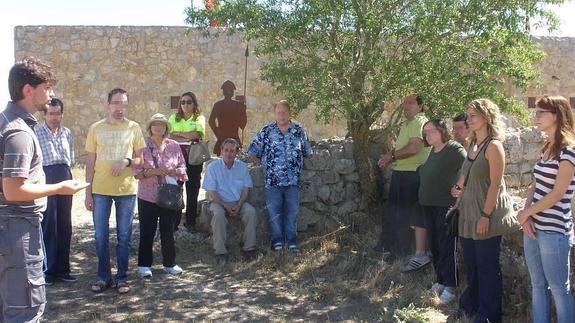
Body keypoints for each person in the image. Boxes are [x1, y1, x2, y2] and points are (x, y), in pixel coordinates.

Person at [0, 57, 88, 322]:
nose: (51, 95)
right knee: (23, 311)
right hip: (17, 232)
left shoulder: (6, 122)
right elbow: (14, 191)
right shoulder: (19, 133)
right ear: (29, 90)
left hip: (9, 230)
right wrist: (59, 187)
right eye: (47, 88)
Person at [451, 98, 519, 323]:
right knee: (472, 265)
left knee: (487, 268)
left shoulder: (494, 146)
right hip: (469, 214)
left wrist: (486, 216)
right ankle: (472, 306)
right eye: (467, 115)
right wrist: (458, 188)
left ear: (486, 118)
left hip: (485, 215)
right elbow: (465, 172)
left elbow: (496, 185)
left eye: (472, 116)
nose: (467, 119)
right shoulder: (472, 144)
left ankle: (489, 315)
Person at [517, 96, 575, 323]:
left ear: (557, 114)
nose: (536, 117)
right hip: (533, 227)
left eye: (541, 112)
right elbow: (534, 185)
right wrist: (526, 215)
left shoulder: (568, 151)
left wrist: (526, 213)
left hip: (554, 230)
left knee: (560, 290)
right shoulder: (547, 148)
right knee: (538, 285)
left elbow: (557, 194)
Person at [85, 88, 145, 294]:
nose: (120, 108)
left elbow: (141, 160)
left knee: (124, 237)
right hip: (100, 190)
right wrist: (87, 192)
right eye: (116, 103)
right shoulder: (96, 128)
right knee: (100, 236)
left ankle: (121, 278)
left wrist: (127, 161)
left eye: (124, 104)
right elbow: (90, 161)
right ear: (108, 104)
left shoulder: (134, 128)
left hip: (126, 191)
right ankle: (104, 278)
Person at [248, 100, 312, 252]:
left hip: (293, 181)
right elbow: (252, 151)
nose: (281, 115)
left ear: (290, 113)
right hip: (273, 181)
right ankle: (277, 241)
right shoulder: (267, 131)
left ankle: (291, 241)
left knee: (292, 212)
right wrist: (265, 165)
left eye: (284, 112)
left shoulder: (299, 130)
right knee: (274, 212)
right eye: (278, 112)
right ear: (275, 114)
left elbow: (307, 152)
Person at [376, 93, 431, 269]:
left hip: (411, 175)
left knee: (404, 216)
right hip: (402, 172)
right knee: (394, 213)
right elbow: (404, 148)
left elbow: (414, 147)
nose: (405, 106)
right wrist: (390, 157)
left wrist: (391, 155)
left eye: (410, 103)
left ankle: (399, 253)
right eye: (404, 103)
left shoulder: (418, 121)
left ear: (420, 106)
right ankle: (387, 247)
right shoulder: (409, 123)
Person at [418, 119, 466, 305]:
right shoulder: (433, 151)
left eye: (431, 131)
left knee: (447, 247)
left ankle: (451, 287)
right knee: (435, 246)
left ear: (442, 131)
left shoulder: (453, 149)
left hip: (445, 206)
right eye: (425, 132)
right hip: (429, 206)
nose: (427, 135)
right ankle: (440, 280)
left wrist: (458, 187)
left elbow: (467, 169)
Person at [134, 114, 188, 278]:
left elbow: (183, 167)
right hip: (147, 195)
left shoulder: (174, 145)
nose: (159, 128)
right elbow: (136, 173)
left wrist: (174, 171)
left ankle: (170, 264)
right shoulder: (142, 146)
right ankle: (144, 265)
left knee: (168, 230)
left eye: (162, 125)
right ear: (150, 128)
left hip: (168, 196)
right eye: (155, 125)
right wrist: (155, 172)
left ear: (166, 127)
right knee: (147, 231)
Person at [35, 98, 76, 285]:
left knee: (65, 225)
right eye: (51, 113)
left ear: (62, 114)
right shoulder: (36, 133)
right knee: (49, 224)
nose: (54, 117)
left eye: (58, 113)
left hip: (65, 175)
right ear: (45, 114)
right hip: (46, 176)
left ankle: (63, 270)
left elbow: (72, 159)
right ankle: (49, 271)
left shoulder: (67, 133)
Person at [203, 138, 257, 263]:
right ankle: (220, 252)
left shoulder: (242, 168)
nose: (229, 153)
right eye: (226, 150)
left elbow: (245, 189)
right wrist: (225, 206)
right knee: (218, 216)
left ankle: (249, 249)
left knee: (251, 212)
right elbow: (212, 191)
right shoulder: (213, 167)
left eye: (232, 151)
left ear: (236, 153)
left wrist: (239, 205)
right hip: (218, 202)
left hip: (238, 202)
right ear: (221, 151)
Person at [169, 91, 206, 232]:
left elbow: (198, 134)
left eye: (189, 102)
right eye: (183, 102)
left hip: (194, 156)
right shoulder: (173, 118)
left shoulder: (199, 118)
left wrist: (179, 135)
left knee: (192, 190)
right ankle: (175, 222)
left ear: (194, 104)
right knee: (176, 189)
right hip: (176, 157)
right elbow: (169, 136)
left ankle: (190, 222)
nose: (185, 105)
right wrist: (188, 138)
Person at [209, 80, 247, 155]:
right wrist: (218, 134)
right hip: (222, 139)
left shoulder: (238, 105)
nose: (229, 92)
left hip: (234, 138)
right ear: (223, 92)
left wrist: (243, 112)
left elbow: (242, 125)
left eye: (230, 90)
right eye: (227, 90)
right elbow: (211, 121)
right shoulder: (218, 105)